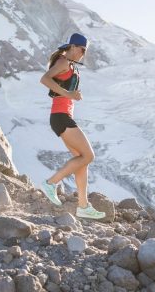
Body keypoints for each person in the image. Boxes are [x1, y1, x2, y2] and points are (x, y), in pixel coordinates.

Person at [38, 33, 105, 220]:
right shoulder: (63, 62)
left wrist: (72, 94)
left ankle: (83, 206)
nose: (83, 54)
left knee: (81, 160)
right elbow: (45, 79)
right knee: (89, 155)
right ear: (73, 47)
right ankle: (51, 183)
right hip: (61, 117)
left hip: (62, 116)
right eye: (82, 50)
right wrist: (68, 93)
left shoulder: (70, 65)